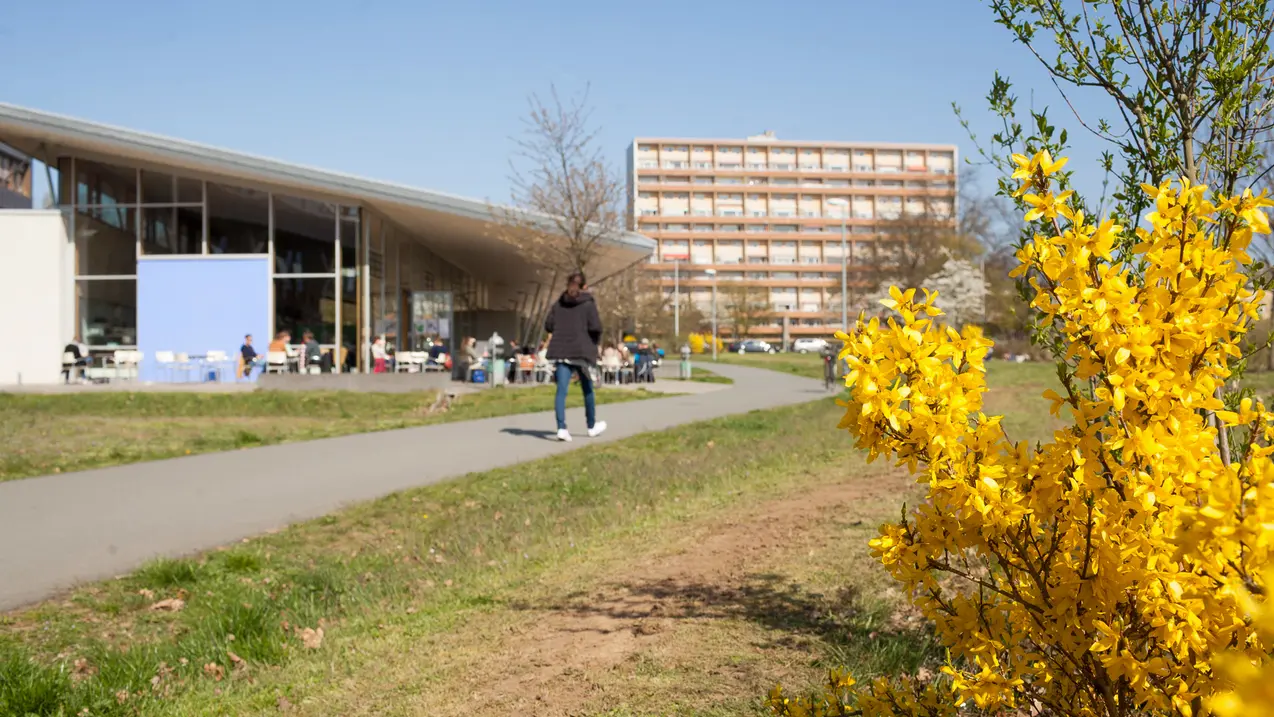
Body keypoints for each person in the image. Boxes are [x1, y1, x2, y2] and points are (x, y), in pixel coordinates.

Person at [544, 272, 606, 442]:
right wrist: (595, 343)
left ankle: (561, 428)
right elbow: (596, 327)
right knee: (587, 389)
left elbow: (548, 325)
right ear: (584, 286)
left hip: (562, 351)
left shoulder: (559, 303)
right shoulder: (588, 303)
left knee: (561, 391)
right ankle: (591, 426)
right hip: (581, 351)